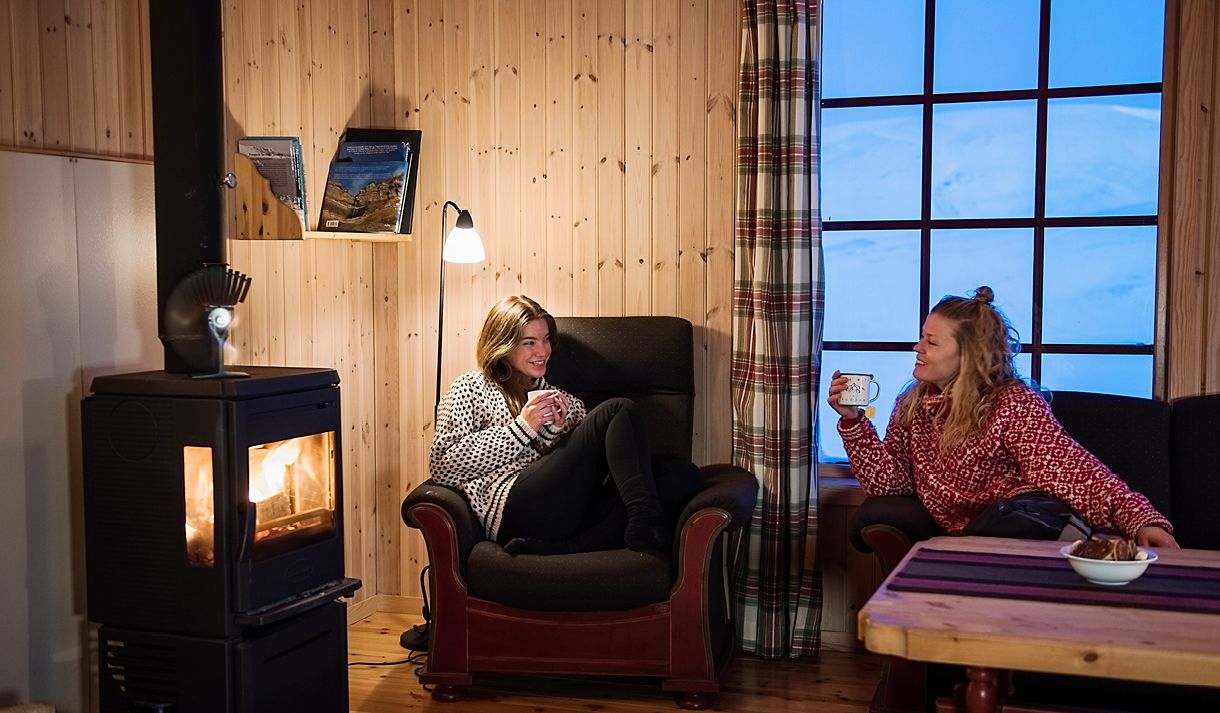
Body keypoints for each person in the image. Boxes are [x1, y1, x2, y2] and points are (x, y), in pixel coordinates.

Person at [827, 286, 1178, 549]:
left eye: (931, 342)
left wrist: (1141, 521)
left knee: (1008, 519)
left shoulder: (1013, 404)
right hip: (975, 537)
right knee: (982, 535)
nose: (917, 348)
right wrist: (853, 422)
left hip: (1027, 523)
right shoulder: (913, 404)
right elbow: (891, 486)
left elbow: (1077, 474)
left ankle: (1096, 547)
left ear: (967, 355)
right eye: (922, 337)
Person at [430, 294, 669, 555]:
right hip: (512, 509)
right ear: (503, 345)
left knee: (678, 474)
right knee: (619, 409)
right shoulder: (471, 388)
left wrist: (556, 430)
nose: (543, 351)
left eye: (545, 340)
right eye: (529, 342)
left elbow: (593, 475)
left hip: (566, 513)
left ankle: (570, 546)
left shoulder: (565, 402)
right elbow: (443, 465)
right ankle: (645, 527)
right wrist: (520, 429)